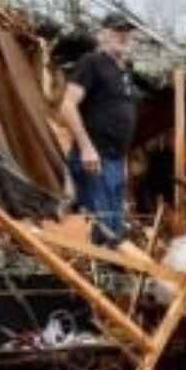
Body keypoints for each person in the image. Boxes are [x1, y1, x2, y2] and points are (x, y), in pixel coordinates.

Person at [58, 12, 139, 245]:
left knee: (115, 230)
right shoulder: (92, 63)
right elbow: (67, 105)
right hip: (94, 161)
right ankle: (92, 278)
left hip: (114, 162)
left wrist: (122, 162)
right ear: (102, 35)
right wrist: (86, 148)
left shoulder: (124, 73)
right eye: (117, 30)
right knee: (99, 231)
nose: (123, 36)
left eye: (127, 31)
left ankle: (111, 279)